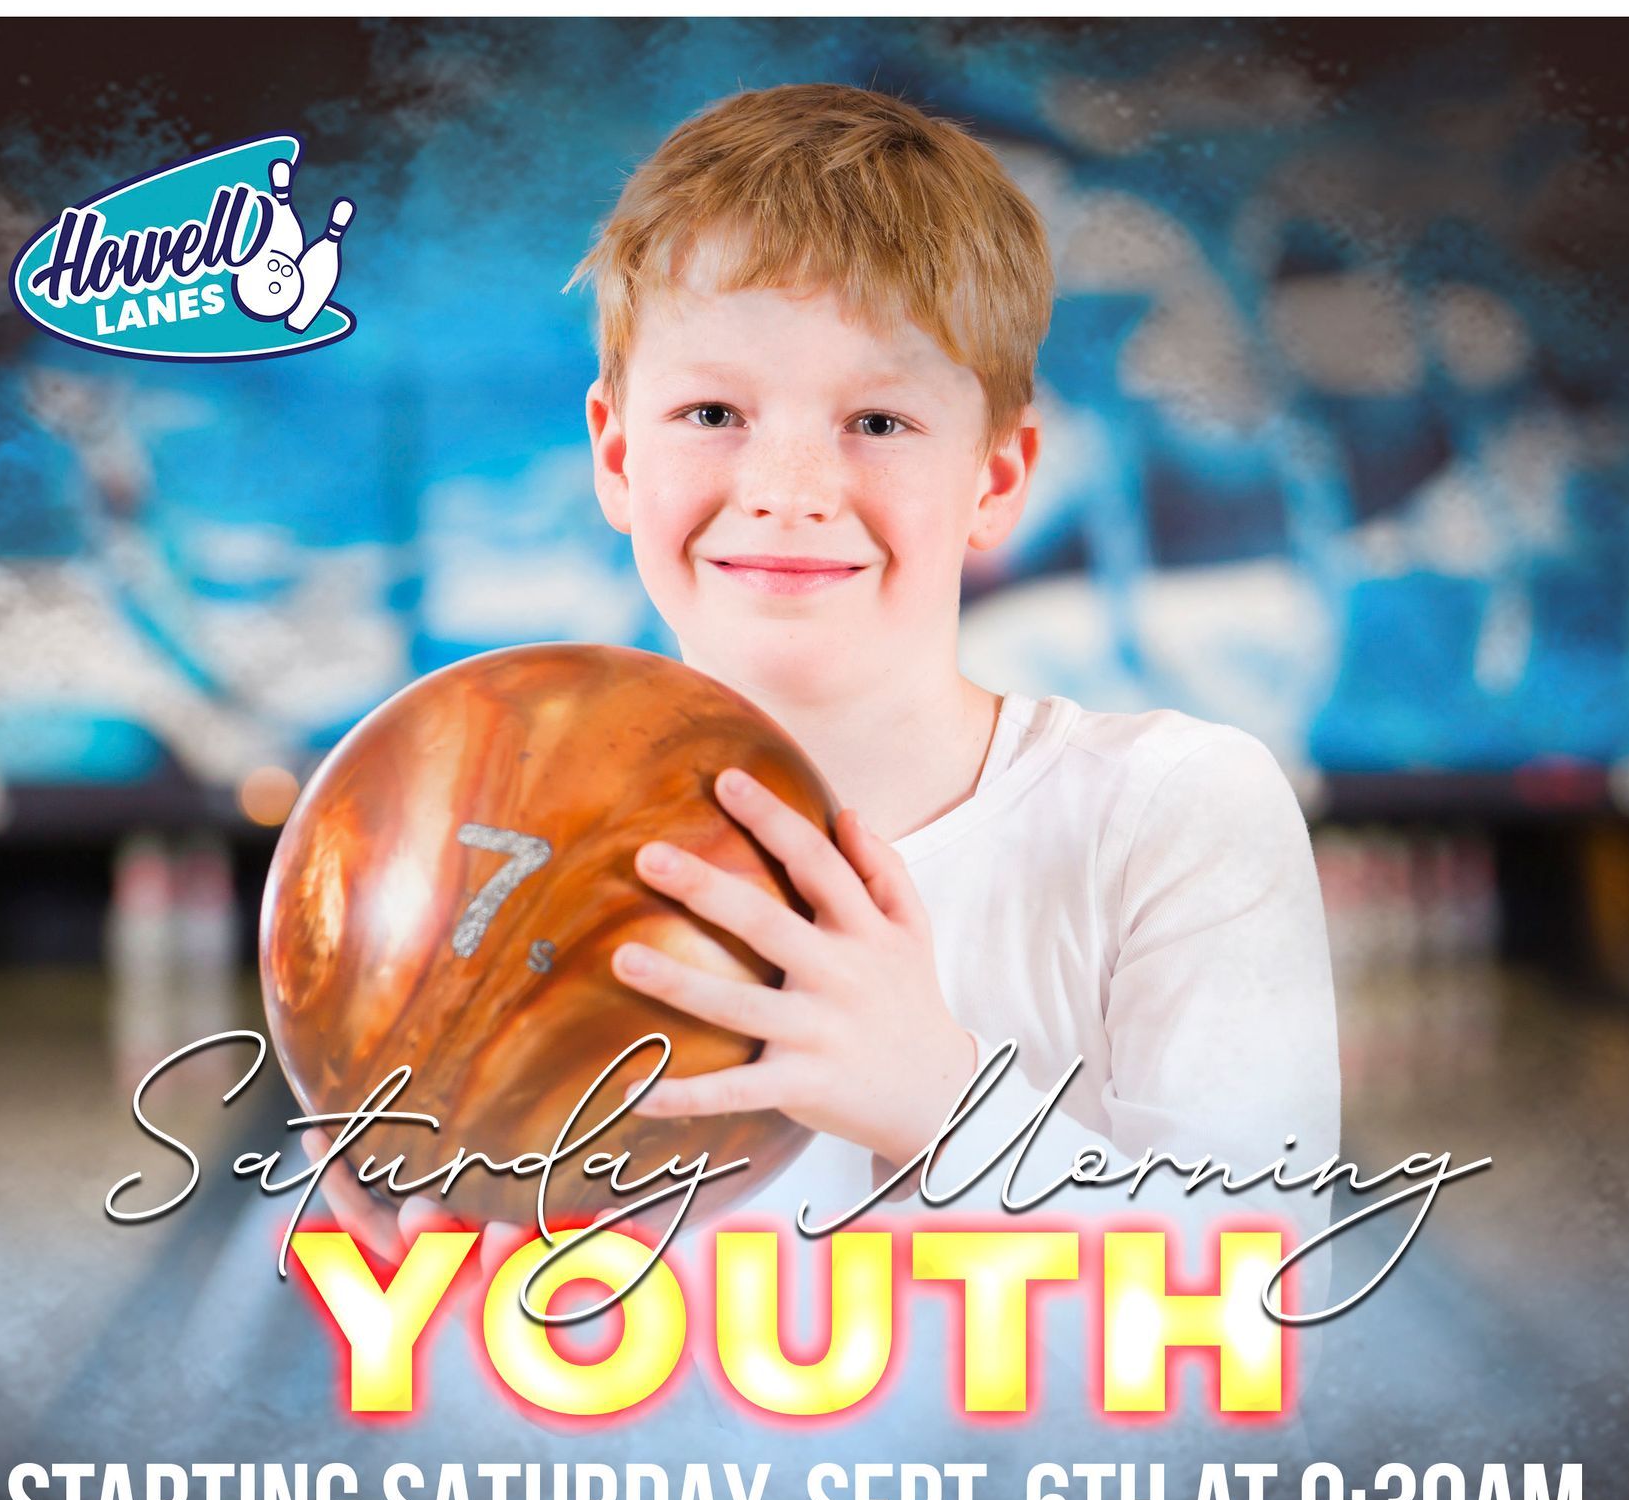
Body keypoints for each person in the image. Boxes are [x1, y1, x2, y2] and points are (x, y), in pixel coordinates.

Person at [319, 81, 1338, 1331]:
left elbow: (1272, 1335)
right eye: (712, 413)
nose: (790, 485)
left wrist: (944, 1108)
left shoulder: (1180, 814)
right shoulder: (473, 838)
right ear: (617, 454)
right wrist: (433, 1297)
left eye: (879, 419)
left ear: (997, 476)